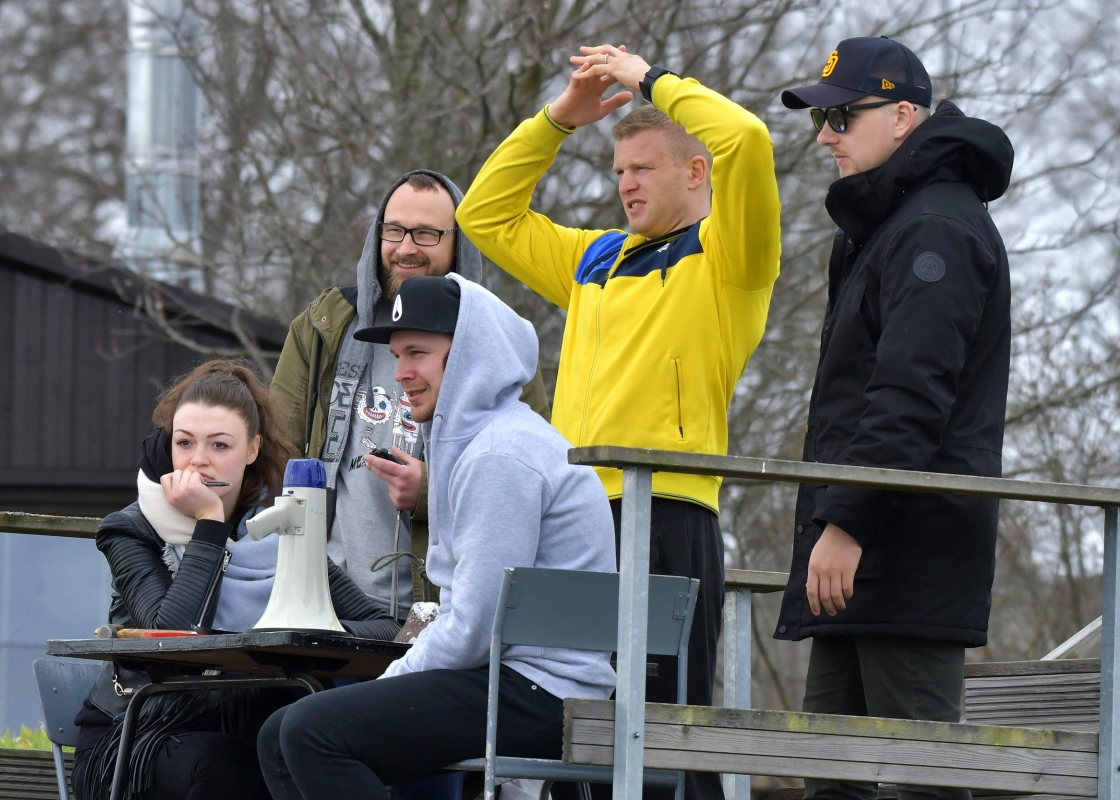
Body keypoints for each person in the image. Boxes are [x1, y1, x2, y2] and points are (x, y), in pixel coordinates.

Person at [456, 42, 780, 799]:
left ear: (695, 173)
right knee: (575, 731)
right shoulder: (594, 259)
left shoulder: (729, 258)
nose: (626, 184)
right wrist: (557, 120)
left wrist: (651, 81)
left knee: (666, 739)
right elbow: (484, 214)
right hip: (573, 518)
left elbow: (747, 138)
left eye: (642, 169)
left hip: (666, 511)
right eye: (618, 171)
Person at [257, 275, 616, 798]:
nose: (401, 373)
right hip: (511, 678)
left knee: (312, 732)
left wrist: (389, 681)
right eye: (397, 356)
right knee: (278, 734)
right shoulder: (482, 443)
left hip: (543, 693)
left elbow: (473, 628)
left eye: (418, 353)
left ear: (470, 354)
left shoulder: (500, 455)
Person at [773, 37, 1013, 800]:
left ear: (903, 117)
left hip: (905, 555)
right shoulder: (887, 224)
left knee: (922, 782)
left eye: (842, 117)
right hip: (857, 557)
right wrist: (839, 527)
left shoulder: (935, 226)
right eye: (822, 119)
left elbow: (912, 393)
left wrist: (846, 523)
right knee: (830, 782)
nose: (825, 136)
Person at [71, 360, 400, 800]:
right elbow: (172, 636)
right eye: (184, 442)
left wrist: (305, 632)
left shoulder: (275, 532)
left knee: (306, 747)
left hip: (247, 724)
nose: (198, 459)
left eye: (220, 445)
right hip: (142, 733)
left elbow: (388, 630)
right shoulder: (131, 529)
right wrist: (210, 524)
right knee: (226, 765)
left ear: (252, 450)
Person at [270, 170, 549, 621]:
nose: (405, 247)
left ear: (458, 243)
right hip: (323, 604)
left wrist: (430, 491)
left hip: (438, 613)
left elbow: (528, 483)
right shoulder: (324, 327)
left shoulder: (501, 344)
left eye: (426, 233)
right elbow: (275, 451)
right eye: (394, 230)